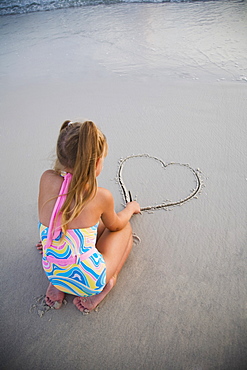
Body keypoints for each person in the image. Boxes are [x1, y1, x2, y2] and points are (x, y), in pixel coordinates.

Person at [38, 120, 140, 313]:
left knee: (85, 226)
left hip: (52, 271)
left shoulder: (46, 178)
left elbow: (47, 214)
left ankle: (59, 285)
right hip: (89, 281)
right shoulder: (99, 196)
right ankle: (107, 285)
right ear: (97, 162)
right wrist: (130, 209)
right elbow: (116, 225)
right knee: (125, 230)